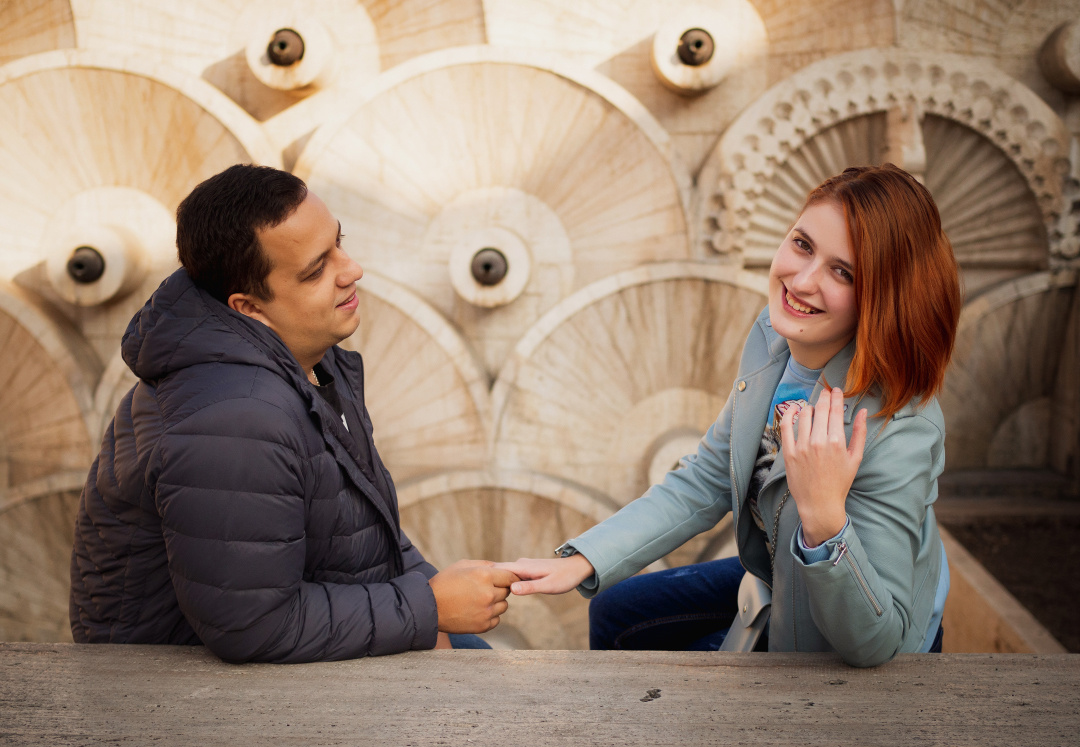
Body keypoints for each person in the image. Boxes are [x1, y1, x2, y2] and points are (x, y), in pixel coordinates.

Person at [497, 164, 962, 668]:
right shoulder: (775, 337)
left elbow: (878, 640)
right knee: (615, 611)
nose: (802, 281)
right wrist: (585, 559)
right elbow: (707, 476)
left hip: (854, 626)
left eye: (842, 272)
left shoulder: (899, 429)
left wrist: (825, 518)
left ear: (883, 299)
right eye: (802, 245)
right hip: (779, 569)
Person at [70, 164, 516, 662]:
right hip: (174, 686)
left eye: (338, 243)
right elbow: (252, 626)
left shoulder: (305, 358)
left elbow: (358, 536)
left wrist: (438, 590)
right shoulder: (236, 421)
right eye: (315, 270)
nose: (351, 270)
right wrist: (429, 607)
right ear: (248, 307)